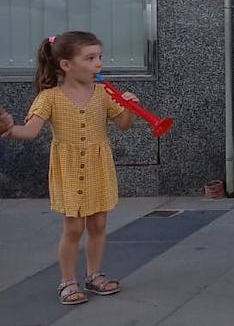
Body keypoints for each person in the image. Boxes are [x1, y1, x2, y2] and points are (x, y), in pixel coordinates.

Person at [0, 32, 148, 305]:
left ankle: (94, 275)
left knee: (99, 223)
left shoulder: (103, 93)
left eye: (99, 57)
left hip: (97, 166)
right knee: (73, 228)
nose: (98, 64)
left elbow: (124, 125)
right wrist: (9, 130)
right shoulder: (50, 98)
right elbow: (30, 131)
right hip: (68, 167)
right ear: (66, 65)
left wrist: (130, 107)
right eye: (90, 58)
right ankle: (67, 281)